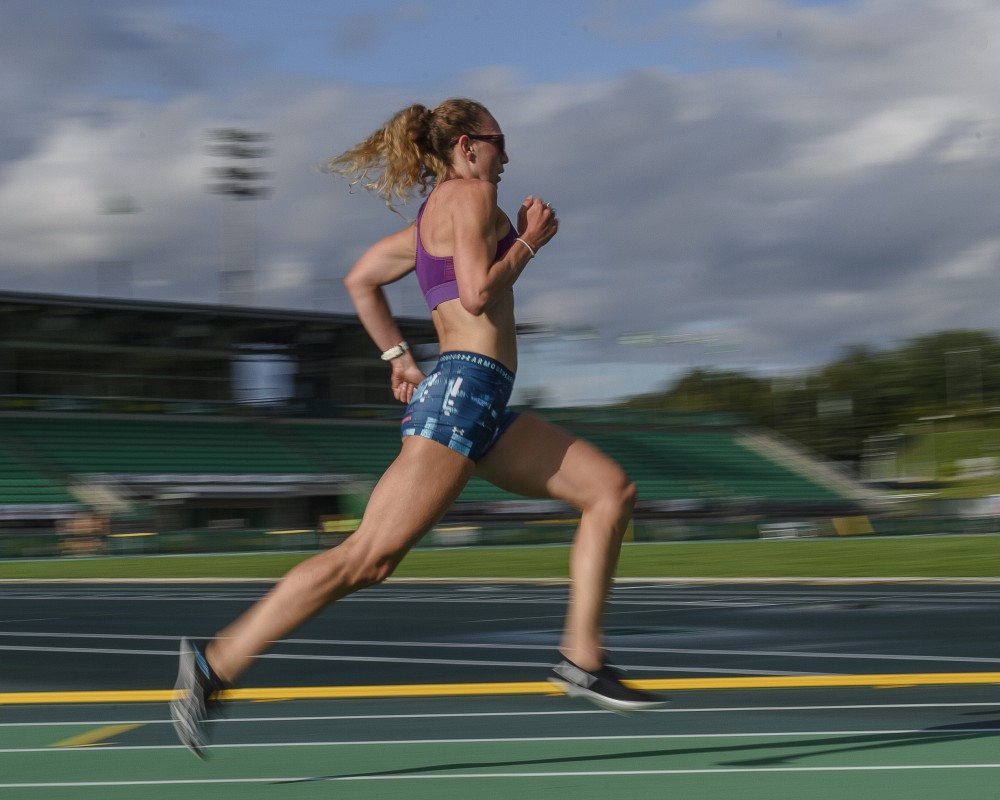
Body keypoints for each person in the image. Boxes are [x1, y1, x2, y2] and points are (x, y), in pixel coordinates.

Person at [170, 97, 666, 758]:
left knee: (610, 492)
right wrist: (527, 242)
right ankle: (213, 666)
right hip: (462, 394)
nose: (506, 156)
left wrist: (396, 355)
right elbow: (476, 294)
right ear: (467, 145)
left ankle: (580, 657)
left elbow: (360, 279)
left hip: (480, 400)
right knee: (367, 559)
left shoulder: (439, 210)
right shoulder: (465, 196)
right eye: (499, 141)